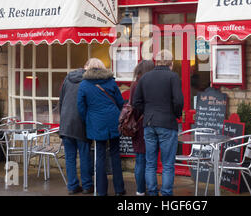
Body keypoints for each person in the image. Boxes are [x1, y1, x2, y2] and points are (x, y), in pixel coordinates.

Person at [132, 50, 184, 196]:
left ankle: (152, 192)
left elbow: (136, 102)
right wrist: (176, 114)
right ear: (170, 63)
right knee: (167, 164)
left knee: (150, 163)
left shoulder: (145, 77)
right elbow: (179, 101)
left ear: (156, 61)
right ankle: (166, 193)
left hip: (149, 123)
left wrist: (146, 112)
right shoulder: (173, 77)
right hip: (167, 123)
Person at [77, 58, 125, 196]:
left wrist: (88, 119)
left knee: (100, 157)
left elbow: (80, 107)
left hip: (96, 122)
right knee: (116, 155)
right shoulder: (111, 81)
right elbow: (120, 102)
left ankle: (101, 191)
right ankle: (119, 190)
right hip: (113, 120)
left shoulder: (84, 84)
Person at [59, 62, 94, 195]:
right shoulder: (88, 81)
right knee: (84, 155)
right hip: (81, 123)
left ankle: (72, 186)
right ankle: (87, 185)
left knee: (70, 157)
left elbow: (61, 101)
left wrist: (63, 121)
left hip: (66, 123)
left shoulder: (68, 78)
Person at [129, 60, 155, 196]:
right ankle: (150, 189)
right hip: (150, 124)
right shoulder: (154, 85)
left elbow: (134, 106)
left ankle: (140, 190)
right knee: (148, 160)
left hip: (138, 125)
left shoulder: (135, 85)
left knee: (140, 158)